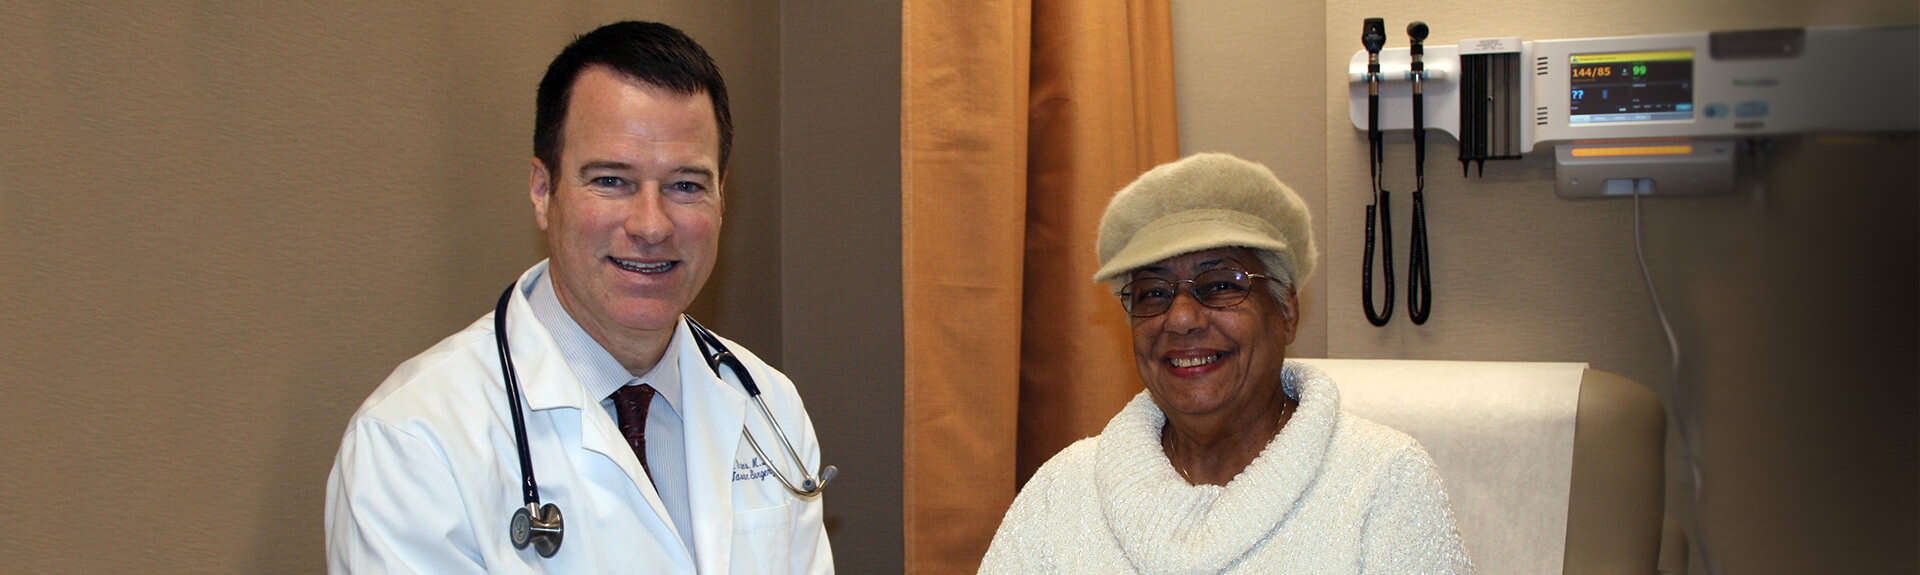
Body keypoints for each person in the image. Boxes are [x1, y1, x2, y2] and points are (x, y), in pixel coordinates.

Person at [326, 21, 833, 574]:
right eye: (611, 181)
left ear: (721, 199)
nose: (651, 225)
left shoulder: (769, 407)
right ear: (543, 192)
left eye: (685, 185)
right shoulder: (414, 442)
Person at [978, 153, 1471, 574]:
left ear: (1286, 312)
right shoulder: (1063, 491)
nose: (1182, 318)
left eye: (1221, 284)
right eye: (1153, 293)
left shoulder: (1381, 482)